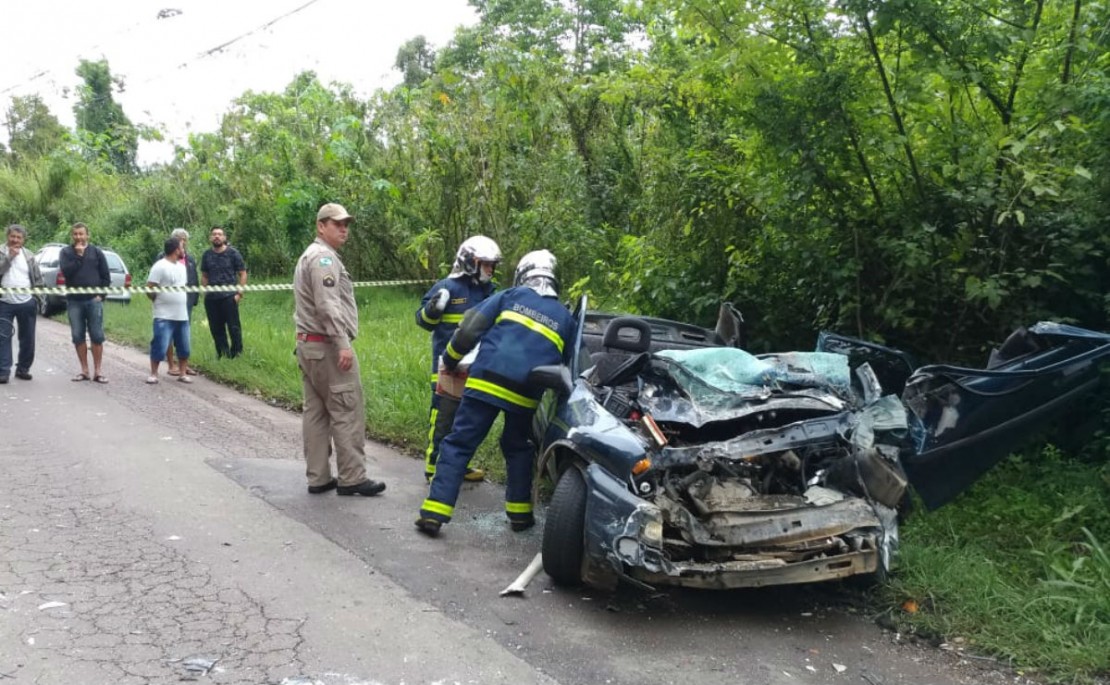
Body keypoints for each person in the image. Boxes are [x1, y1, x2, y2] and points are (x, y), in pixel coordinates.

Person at [416, 249, 576, 536]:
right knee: (517, 447)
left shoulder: (509, 296)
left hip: (485, 381)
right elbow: (573, 363)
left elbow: (468, 330)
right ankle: (520, 516)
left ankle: (434, 513)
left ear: (522, 274)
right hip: (527, 392)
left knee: (459, 443)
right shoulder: (565, 317)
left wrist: (451, 360)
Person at [292, 203, 386, 497]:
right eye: (337, 224)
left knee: (317, 412)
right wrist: (343, 343)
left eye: (346, 224)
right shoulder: (323, 259)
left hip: (308, 345)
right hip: (328, 345)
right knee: (346, 408)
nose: (344, 229)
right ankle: (352, 477)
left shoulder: (311, 254)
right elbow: (328, 306)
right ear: (321, 226)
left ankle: (318, 476)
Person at [415, 235, 501, 482]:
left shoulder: (489, 291)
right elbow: (423, 322)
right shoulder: (448, 287)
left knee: (466, 422)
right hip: (447, 368)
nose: (490, 269)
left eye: (492, 264)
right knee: (442, 420)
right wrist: (432, 308)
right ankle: (434, 468)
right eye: (486, 264)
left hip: (476, 367)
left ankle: (459, 465)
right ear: (470, 262)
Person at [59, 222, 111, 383]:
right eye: (75, 234)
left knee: (96, 335)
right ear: (72, 236)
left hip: (93, 301)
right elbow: (66, 272)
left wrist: (101, 296)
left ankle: (98, 371)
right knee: (77, 335)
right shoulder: (66, 252)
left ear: (87, 235)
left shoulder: (96, 252)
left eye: (81, 234)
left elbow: (105, 277)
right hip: (75, 301)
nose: (78, 237)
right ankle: (84, 370)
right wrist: (79, 257)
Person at [0, 224, 44, 384]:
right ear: (7, 237)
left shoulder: (29, 256)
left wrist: (37, 298)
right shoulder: (1, 251)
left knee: (27, 338)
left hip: (26, 302)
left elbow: (38, 279)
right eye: (12, 236)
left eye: (19, 237)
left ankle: (23, 369)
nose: (15, 240)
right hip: (4, 302)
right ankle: (3, 371)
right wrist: (9, 257)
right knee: (2, 337)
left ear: (23, 239)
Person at [145, 237, 192, 384]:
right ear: (176, 250)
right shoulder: (159, 266)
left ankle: (182, 373)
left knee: (184, 346)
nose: (183, 250)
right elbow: (149, 287)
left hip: (181, 314)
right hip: (163, 315)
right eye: (182, 247)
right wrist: (156, 300)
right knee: (160, 344)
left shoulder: (182, 267)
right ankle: (154, 374)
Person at [200, 226, 247, 359]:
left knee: (234, 327)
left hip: (229, 297)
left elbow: (242, 273)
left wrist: (239, 293)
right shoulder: (206, 255)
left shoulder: (233, 253)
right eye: (214, 234)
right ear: (210, 238)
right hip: (212, 299)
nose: (217, 236)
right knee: (216, 328)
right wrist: (205, 292)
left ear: (224, 238)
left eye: (219, 234)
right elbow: (204, 275)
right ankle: (223, 354)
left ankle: (237, 354)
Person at [161, 228, 198, 375]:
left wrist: (194, 298)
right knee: (169, 332)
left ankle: (184, 365)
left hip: (186, 301)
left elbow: (194, 279)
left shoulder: (190, 259)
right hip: (168, 301)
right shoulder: (162, 257)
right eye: (178, 238)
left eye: (183, 239)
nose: (181, 241)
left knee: (184, 333)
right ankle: (171, 365)